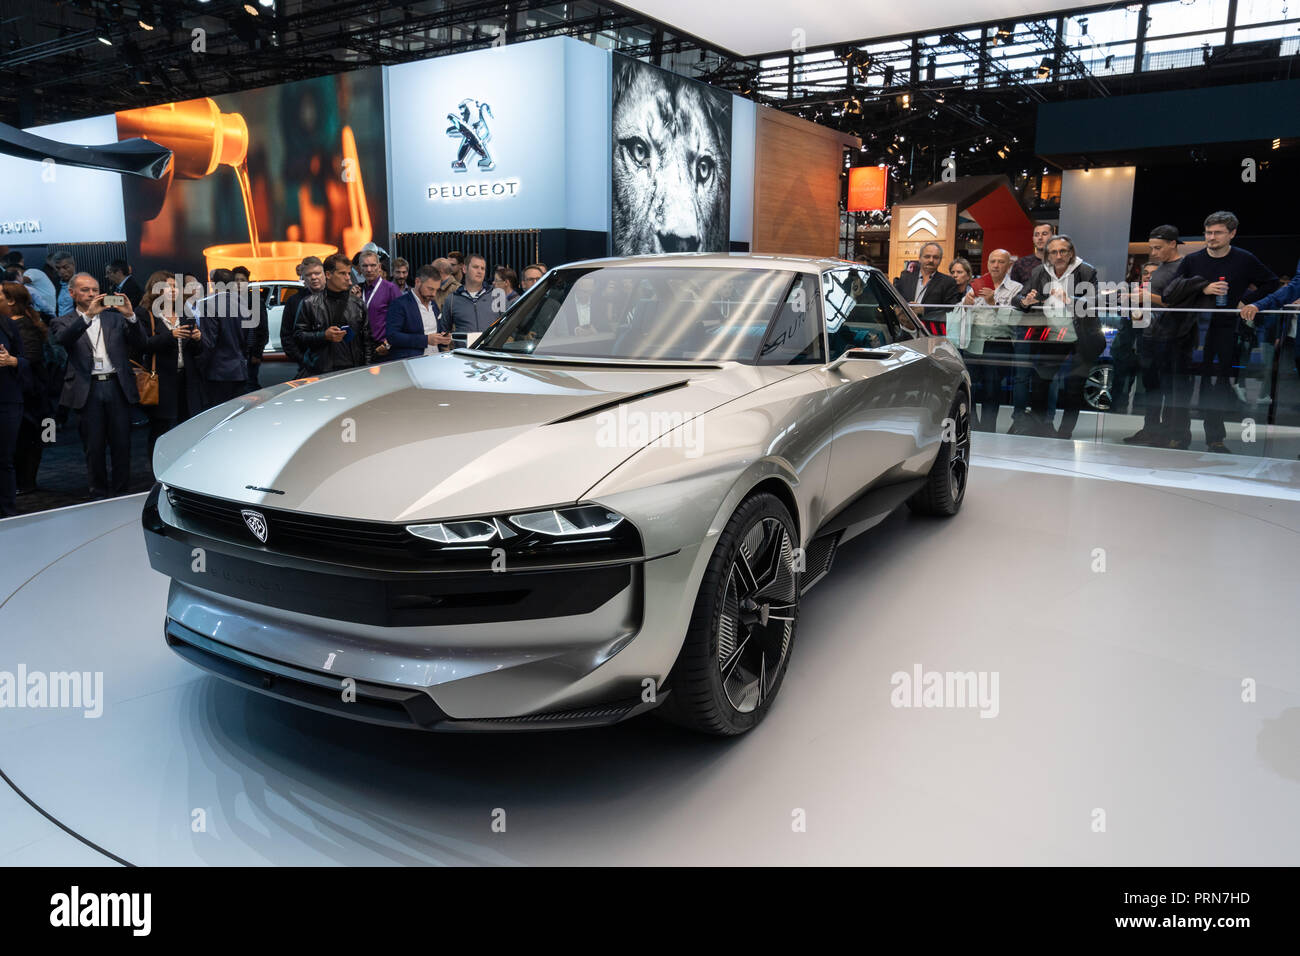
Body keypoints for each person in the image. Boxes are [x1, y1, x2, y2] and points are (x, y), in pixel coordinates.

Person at [1164, 211, 1279, 453]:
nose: (1211, 237)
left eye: (1217, 233)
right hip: (1190, 329)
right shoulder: (1192, 260)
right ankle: (1178, 435)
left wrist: (1246, 301)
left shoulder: (1244, 259)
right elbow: (1170, 292)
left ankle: (1215, 438)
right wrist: (1202, 288)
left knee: (1217, 385)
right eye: (1208, 232)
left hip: (1225, 330)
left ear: (1232, 234)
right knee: (1182, 384)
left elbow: (1271, 283)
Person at [50, 273, 146, 498]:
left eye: (95, 289)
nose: (92, 293)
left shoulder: (115, 318)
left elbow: (141, 343)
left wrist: (131, 316)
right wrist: (87, 317)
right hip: (87, 389)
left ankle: (123, 492)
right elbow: (64, 339)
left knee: (122, 444)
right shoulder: (62, 320)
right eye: (85, 290)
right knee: (93, 447)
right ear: (72, 293)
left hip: (117, 387)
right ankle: (99, 494)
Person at [1011, 235, 1103, 440]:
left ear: (1071, 253)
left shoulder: (1086, 270)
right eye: (1054, 252)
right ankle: (1039, 428)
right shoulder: (1039, 271)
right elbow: (1016, 299)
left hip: (1082, 338)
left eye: (1063, 251)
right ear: (1048, 255)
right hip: (1051, 336)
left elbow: (1095, 301)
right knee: (1040, 382)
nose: (1058, 256)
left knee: (1074, 387)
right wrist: (1025, 301)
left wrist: (1071, 299)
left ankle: (1065, 433)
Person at [135, 271, 205, 463]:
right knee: (161, 429)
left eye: (176, 286)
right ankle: (158, 467)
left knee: (186, 425)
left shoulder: (185, 312)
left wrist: (198, 340)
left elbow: (197, 351)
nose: (174, 290)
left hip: (186, 378)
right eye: (169, 286)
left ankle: (183, 465)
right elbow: (143, 345)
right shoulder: (145, 314)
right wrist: (170, 335)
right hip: (161, 380)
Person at [961, 250, 1022, 432]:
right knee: (967, 388)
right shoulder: (976, 285)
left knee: (992, 391)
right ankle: (972, 427)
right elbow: (958, 312)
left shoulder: (1016, 288)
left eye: (1001, 262)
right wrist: (965, 304)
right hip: (973, 342)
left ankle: (988, 430)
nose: (995, 265)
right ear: (987, 264)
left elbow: (1016, 320)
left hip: (998, 343)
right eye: (992, 261)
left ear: (1009, 265)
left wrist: (993, 303)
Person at [1, 281, 51, 495]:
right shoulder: (11, 323)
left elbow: (30, 357)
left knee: (27, 440)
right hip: (19, 390)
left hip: (28, 392)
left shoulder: (21, 325)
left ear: (11, 300)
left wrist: (12, 361)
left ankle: (25, 483)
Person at [292, 253, 374, 374]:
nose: (347, 277)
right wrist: (323, 335)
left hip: (353, 370)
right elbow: (298, 336)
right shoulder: (309, 303)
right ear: (328, 274)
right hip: (321, 371)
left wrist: (366, 370)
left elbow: (367, 342)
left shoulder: (358, 304)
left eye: (348, 273)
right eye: (342, 273)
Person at [199, 268, 251, 408]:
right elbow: (248, 337)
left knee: (218, 415)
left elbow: (208, 342)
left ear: (213, 283)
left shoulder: (209, 305)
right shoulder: (243, 304)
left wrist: (200, 366)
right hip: (240, 370)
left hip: (218, 373)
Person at [0, 300, 30, 516]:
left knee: (4, 460)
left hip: (7, 400)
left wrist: (12, 361)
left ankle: (7, 513)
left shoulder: (7, 325)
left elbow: (26, 361)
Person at [386, 265, 453, 360]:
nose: (434, 294)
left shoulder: (433, 304)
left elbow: (436, 331)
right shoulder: (399, 304)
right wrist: (426, 340)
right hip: (412, 363)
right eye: (430, 289)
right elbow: (392, 336)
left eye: (436, 290)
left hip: (436, 359)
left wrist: (443, 338)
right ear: (417, 282)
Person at [893, 242, 961, 320]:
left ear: (940, 260)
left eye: (935, 257)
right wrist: (896, 308)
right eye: (927, 256)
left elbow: (951, 309)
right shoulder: (905, 278)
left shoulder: (948, 282)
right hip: (905, 326)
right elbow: (895, 301)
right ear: (919, 258)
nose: (931, 260)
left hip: (930, 328)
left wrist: (924, 309)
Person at [282, 256, 325, 376]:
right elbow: (286, 336)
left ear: (325, 274)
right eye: (309, 274)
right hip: (306, 366)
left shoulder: (336, 298)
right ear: (303, 278)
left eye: (317, 273)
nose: (313, 277)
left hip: (334, 364)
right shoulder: (294, 301)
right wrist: (303, 360)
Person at [230, 265, 269, 391]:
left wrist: (257, 353)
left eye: (242, 280)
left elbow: (263, 329)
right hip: (235, 352)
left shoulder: (255, 300)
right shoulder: (229, 301)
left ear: (247, 282)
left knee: (250, 384)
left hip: (251, 351)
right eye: (236, 280)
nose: (239, 283)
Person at [357, 250, 398, 359]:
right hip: (362, 348)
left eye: (372, 265)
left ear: (379, 267)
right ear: (360, 269)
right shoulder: (358, 290)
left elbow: (402, 319)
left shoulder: (391, 288)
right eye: (365, 266)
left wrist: (388, 344)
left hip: (384, 348)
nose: (369, 270)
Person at [444, 253, 498, 335]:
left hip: (490, 348)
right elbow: (444, 332)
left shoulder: (497, 296)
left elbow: (508, 326)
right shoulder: (451, 300)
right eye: (475, 267)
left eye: (483, 268)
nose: (480, 271)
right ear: (465, 269)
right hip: (465, 348)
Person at [1010, 222, 1054, 288]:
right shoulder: (1020, 264)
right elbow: (1013, 293)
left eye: (1044, 234)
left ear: (1053, 237)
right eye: (1036, 235)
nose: (1040, 237)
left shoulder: (1061, 263)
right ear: (1033, 239)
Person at [49, 251, 76, 317]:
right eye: (58, 268)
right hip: (61, 323)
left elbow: (103, 298)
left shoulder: (85, 281)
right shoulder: (55, 284)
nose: (62, 271)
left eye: (65, 267)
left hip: (79, 324)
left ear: (73, 265)